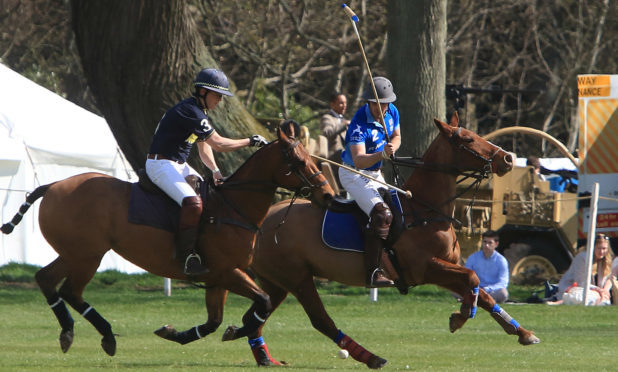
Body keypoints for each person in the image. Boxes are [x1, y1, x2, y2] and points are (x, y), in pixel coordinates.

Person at [146, 68, 268, 276]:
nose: (220, 100)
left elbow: (204, 147)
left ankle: (206, 249)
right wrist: (250, 141)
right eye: (217, 95)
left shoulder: (198, 112)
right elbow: (218, 143)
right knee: (193, 203)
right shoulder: (190, 111)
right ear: (202, 91)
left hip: (177, 165)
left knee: (211, 197)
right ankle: (186, 257)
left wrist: (215, 170)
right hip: (160, 165)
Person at [338, 77, 401, 288]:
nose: (380, 108)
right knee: (382, 213)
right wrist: (382, 153)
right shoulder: (357, 125)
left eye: (383, 104)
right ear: (368, 102)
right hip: (353, 173)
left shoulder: (392, 111)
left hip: (375, 174)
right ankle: (373, 272)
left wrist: (393, 146)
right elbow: (359, 159)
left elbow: (397, 135)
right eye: (375, 104)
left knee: (399, 211)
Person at [555, 233, 615, 304]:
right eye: (599, 248)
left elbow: (610, 277)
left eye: (604, 248)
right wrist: (599, 290)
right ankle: (560, 301)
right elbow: (581, 282)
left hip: (597, 292)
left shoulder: (607, 260)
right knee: (593, 297)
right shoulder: (582, 258)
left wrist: (605, 290)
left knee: (604, 301)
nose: (601, 252)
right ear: (592, 247)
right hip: (575, 288)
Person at [464, 230, 510, 303]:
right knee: (455, 291)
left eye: (490, 243)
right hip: (476, 289)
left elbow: (503, 282)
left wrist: (488, 288)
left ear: (496, 244)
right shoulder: (473, 258)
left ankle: (475, 299)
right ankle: (480, 298)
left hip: (492, 290)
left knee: (503, 293)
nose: (486, 245)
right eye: (485, 242)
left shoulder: (501, 260)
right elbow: (466, 276)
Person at [320, 92, 349, 163]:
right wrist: (343, 125)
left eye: (345, 103)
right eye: (341, 103)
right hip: (333, 159)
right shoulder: (327, 118)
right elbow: (327, 133)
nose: (344, 106)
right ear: (332, 105)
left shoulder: (344, 120)